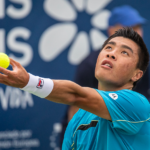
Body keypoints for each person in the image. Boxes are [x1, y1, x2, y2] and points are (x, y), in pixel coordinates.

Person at [0, 28, 150, 149]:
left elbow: (76, 95)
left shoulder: (137, 104)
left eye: (124, 52)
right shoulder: (77, 120)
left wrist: (28, 82)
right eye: (109, 47)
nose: (111, 54)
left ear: (137, 75)